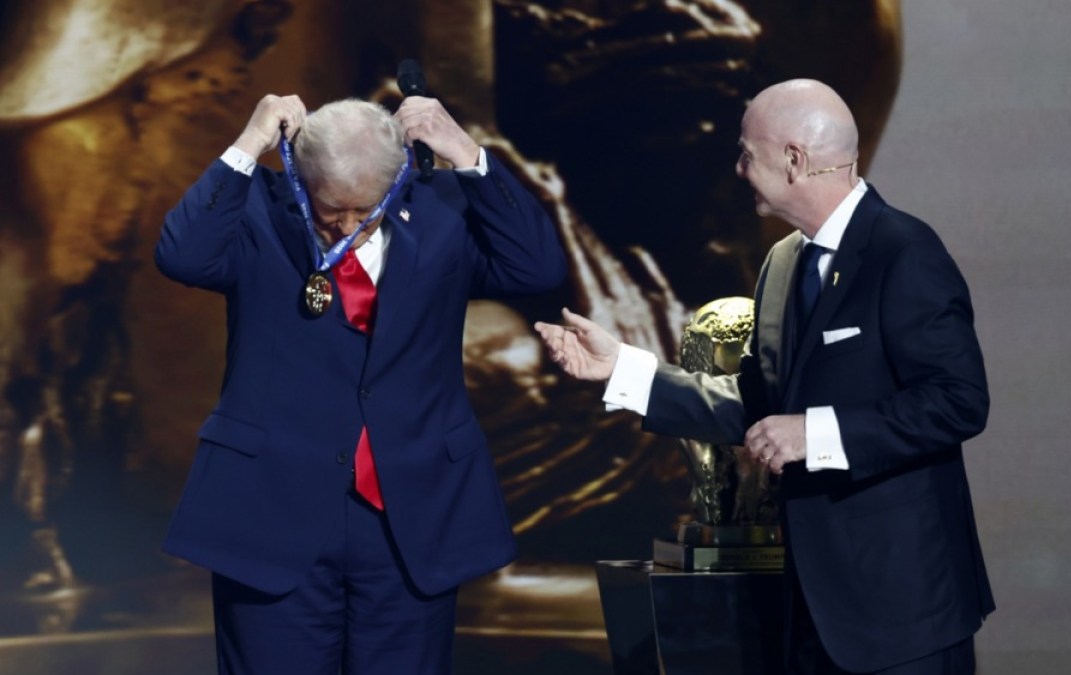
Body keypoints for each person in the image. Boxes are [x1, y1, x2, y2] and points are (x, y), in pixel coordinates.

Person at [535, 79, 993, 674]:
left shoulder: (903, 251)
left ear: (795, 161)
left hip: (903, 614)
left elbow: (958, 401)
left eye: (747, 154)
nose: (738, 169)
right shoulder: (781, 264)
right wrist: (622, 368)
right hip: (807, 610)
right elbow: (756, 404)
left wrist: (814, 433)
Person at [155, 91, 566, 674]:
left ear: (398, 181)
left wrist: (465, 152)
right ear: (299, 175)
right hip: (272, 512)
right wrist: (249, 143)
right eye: (331, 210)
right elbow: (181, 256)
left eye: (365, 211)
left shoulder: (442, 214)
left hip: (409, 519)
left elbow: (537, 267)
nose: (347, 225)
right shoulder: (257, 213)